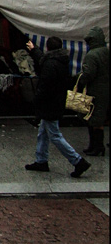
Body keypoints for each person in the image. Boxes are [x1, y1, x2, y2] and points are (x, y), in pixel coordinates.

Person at [25, 36, 91, 177]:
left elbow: (45, 85)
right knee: (43, 132)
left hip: (50, 104)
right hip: (57, 101)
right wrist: (34, 50)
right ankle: (41, 160)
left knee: (54, 135)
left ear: (48, 48)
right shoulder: (60, 61)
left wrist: (36, 100)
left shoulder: (50, 64)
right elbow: (44, 60)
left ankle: (78, 161)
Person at [78, 26, 108, 156]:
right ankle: (97, 146)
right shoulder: (106, 51)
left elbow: (88, 74)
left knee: (92, 118)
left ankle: (96, 146)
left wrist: (79, 82)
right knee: (99, 118)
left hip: (95, 90)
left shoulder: (92, 55)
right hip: (106, 90)